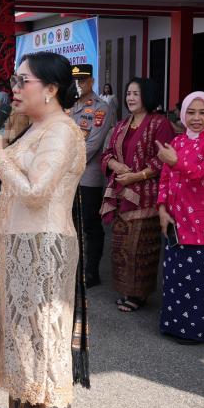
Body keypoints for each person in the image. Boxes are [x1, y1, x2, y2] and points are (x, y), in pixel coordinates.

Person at [0, 51, 86, 408]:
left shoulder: (62, 131)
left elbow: (38, 193)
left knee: (44, 341)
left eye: (23, 81)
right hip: (18, 247)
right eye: (14, 81)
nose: (13, 89)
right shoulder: (36, 128)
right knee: (21, 339)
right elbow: (21, 185)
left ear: (50, 89)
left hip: (43, 251)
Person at [155, 92, 204, 344]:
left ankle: (198, 331)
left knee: (202, 280)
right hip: (177, 222)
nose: (196, 118)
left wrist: (175, 161)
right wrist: (162, 208)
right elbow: (165, 178)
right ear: (183, 114)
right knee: (176, 276)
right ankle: (173, 325)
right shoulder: (178, 141)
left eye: (202, 112)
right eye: (191, 112)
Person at [100, 77, 176, 312]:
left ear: (148, 96)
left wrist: (137, 176)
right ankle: (126, 289)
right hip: (122, 192)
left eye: (136, 93)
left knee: (140, 246)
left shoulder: (159, 123)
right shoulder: (123, 124)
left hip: (146, 195)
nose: (130, 98)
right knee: (121, 245)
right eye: (128, 93)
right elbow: (108, 152)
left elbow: (163, 158)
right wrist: (114, 165)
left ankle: (139, 294)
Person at [69, 64, 116, 287]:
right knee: (70, 224)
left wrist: (63, 162)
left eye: (83, 80)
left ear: (92, 81)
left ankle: (91, 272)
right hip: (67, 178)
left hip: (88, 178)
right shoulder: (67, 108)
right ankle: (73, 268)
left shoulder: (101, 108)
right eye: (76, 81)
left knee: (90, 225)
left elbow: (92, 145)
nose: (79, 85)